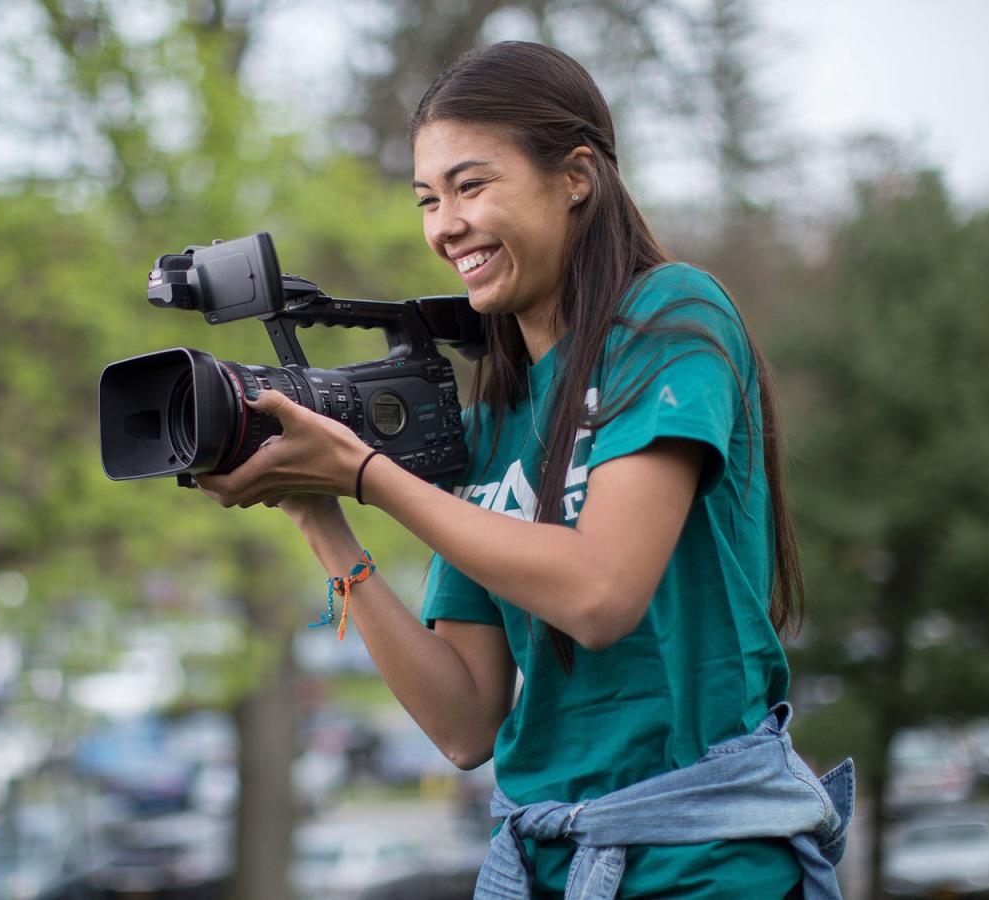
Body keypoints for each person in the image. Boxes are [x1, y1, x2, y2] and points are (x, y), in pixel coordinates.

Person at [195, 41, 851, 899]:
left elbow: (600, 596)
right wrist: (319, 517)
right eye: (429, 200)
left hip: (702, 861)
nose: (444, 226)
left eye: (472, 186)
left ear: (575, 175)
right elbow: (465, 722)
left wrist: (372, 475)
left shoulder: (670, 317)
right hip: (542, 863)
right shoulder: (496, 413)